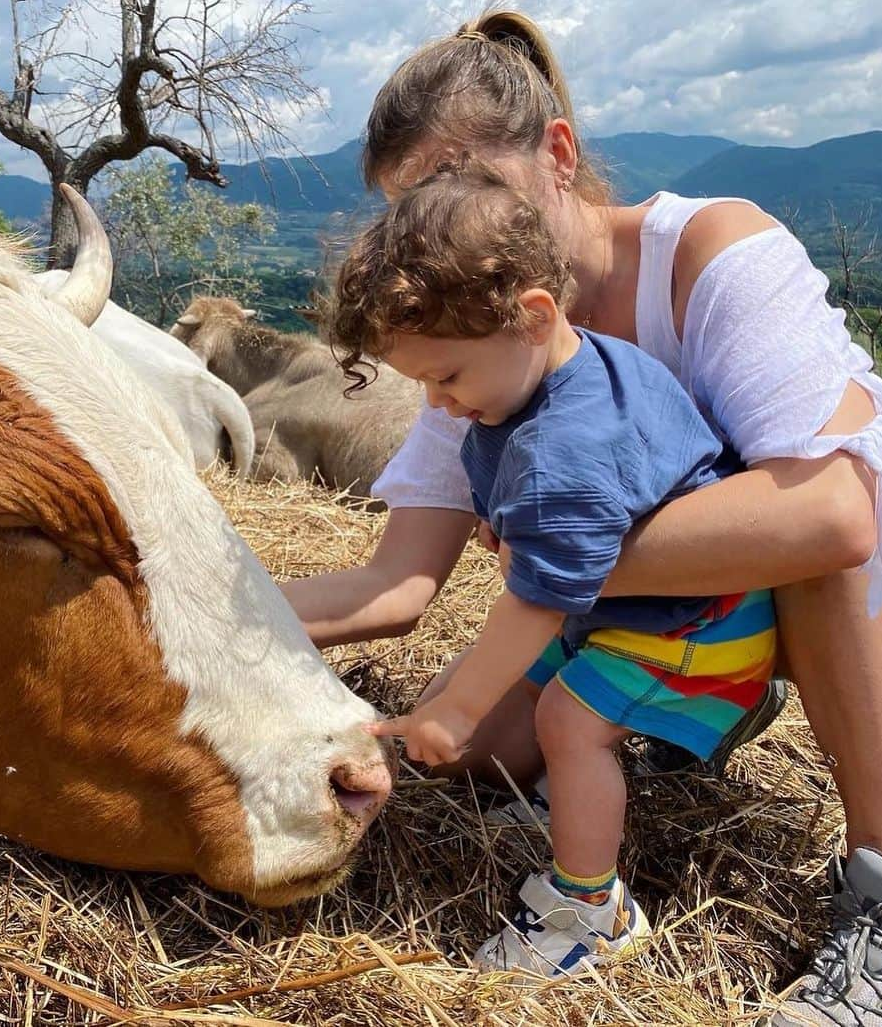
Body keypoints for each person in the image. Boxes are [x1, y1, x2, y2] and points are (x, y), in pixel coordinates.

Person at [281, 10, 882, 1024]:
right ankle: (694, 710)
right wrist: (200, 606)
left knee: (817, 530)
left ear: (556, 154)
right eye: (409, 214)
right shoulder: (470, 344)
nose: (433, 234)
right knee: (478, 757)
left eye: (455, 188)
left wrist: (551, 563)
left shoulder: (708, 254)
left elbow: (834, 513)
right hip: (663, 600)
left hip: (830, 586)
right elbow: (397, 581)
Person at [330, 160, 779, 976]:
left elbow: (539, 598)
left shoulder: (558, 450)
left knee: (569, 724)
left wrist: (459, 711)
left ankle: (588, 911)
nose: (439, 405)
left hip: (696, 627)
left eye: (447, 376)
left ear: (534, 315)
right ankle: (570, 803)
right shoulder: (568, 365)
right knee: (534, 707)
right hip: (641, 611)